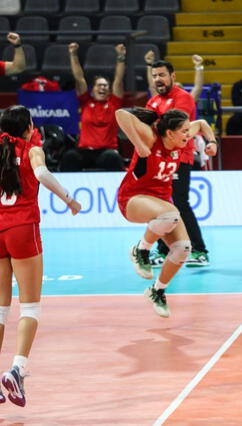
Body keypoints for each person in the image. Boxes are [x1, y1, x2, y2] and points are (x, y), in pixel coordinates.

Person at [0, 105, 81, 406]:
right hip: (22, 228)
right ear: (26, 127)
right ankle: (17, 370)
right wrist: (70, 200)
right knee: (30, 308)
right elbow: (43, 174)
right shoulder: (32, 148)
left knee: (0, 309)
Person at [116, 108, 217, 318]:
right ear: (170, 133)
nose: (188, 135)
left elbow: (203, 124)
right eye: (184, 131)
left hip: (161, 202)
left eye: (189, 131)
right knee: (171, 214)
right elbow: (120, 114)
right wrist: (139, 144)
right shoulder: (151, 137)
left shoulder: (182, 139)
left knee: (183, 248)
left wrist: (211, 142)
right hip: (133, 199)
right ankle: (140, 250)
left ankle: (157, 290)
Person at [146, 60, 211, 267]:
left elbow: (170, 131)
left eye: (162, 75)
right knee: (163, 205)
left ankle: (200, 250)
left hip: (179, 157)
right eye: (155, 75)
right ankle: (164, 250)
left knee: (180, 202)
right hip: (160, 159)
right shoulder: (153, 102)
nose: (158, 79)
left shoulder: (183, 99)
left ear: (172, 76)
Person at [60, 42, 125, 172]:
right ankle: (65, 192)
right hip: (84, 152)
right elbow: (79, 78)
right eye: (99, 85)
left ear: (109, 90)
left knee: (113, 158)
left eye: (105, 85)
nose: (102, 87)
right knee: (69, 157)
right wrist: (73, 55)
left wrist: (121, 57)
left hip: (107, 152)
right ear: (92, 89)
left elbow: (118, 79)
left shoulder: (114, 103)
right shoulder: (85, 101)